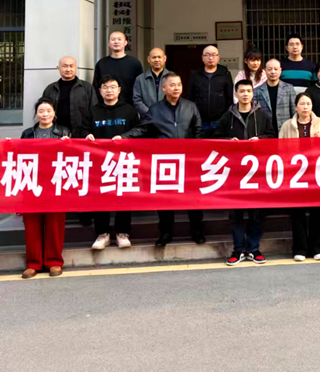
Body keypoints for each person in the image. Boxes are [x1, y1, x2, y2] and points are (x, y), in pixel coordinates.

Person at [216, 79, 276, 266]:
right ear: (236, 94)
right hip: (234, 172)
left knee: (256, 213)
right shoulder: (227, 116)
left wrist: (260, 140)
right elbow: (216, 139)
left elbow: (273, 137)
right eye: (241, 91)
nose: (245, 94)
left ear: (253, 93)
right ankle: (238, 249)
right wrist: (228, 141)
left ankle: (253, 248)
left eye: (248, 91)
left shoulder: (263, 115)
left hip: (256, 172)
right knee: (236, 213)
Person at [86, 76, 149, 251]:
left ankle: (122, 233)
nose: (109, 90)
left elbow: (140, 130)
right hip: (100, 162)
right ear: (100, 91)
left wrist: (124, 137)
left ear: (119, 90)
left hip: (123, 160)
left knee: (123, 196)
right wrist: (87, 136)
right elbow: (83, 130)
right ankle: (102, 234)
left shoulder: (129, 110)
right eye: (105, 87)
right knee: (100, 197)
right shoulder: (93, 111)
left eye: (113, 87)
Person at [148, 73, 205, 247]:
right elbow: (145, 131)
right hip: (165, 161)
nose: (176, 88)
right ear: (164, 88)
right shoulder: (155, 109)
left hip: (189, 160)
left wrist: (196, 153)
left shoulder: (190, 106)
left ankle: (197, 230)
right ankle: (165, 232)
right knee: (165, 199)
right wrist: (124, 137)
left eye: (179, 84)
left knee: (193, 197)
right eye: (172, 85)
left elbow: (198, 130)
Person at [19, 98, 70, 279]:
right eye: (41, 111)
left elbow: (72, 157)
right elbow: (19, 157)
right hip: (32, 182)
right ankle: (33, 263)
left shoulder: (64, 132)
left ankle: (54, 261)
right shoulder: (27, 134)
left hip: (55, 183)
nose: (45, 114)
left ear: (54, 113)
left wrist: (68, 144)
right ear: (36, 114)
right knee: (32, 224)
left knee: (55, 224)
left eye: (48, 110)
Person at [279, 93, 320, 261]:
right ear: (296, 107)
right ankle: (300, 249)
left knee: (318, 212)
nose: (305, 107)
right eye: (302, 104)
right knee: (297, 212)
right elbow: (280, 148)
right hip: (296, 175)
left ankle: (317, 248)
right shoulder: (287, 126)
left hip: (317, 173)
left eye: (308, 103)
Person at [42, 56, 96, 138]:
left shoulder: (87, 88)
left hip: (82, 135)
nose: (68, 69)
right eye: (65, 66)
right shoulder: (50, 89)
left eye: (71, 66)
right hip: (56, 135)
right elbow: (44, 110)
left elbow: (95, 110)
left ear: (76, 68)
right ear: (58, 68)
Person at [189, 44, 234, 138]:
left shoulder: (225, 74)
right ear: (202, 58)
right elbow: (190, 97)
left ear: (218, 57)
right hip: (200, 120)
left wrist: (225, 117)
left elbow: (230, 98)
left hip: (219, 120)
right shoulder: (195, 75)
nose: (211, 57)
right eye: (207, 55)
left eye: (214, 55)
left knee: (219, 145)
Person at [93, 31, 143, 102]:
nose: (116, 42)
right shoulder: (101, 63)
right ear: (108, 43)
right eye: (113, 39)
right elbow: (96, 87)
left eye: (119, 39)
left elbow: (140, 87)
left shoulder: (135, 63)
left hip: (129, 105)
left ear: (125, 42)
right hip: (106, 105)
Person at [254, 58, 296, 137]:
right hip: (265, 132)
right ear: (265, 71)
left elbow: (294, 112)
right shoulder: (257, 91)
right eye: (269, 69)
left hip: (285, 131)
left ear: (280, 71)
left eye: (276, 69)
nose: (273, 72)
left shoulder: (289, 88)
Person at [132, 47, 171, 116]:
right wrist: (150, 113)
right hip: (147, 118)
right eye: (154, 57)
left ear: (165, 59)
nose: (157, 60)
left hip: (168, 118)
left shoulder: (172, 77)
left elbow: (176, 97)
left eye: (159, 57)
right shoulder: (140, 79)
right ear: (148, 59)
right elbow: (137, 100)